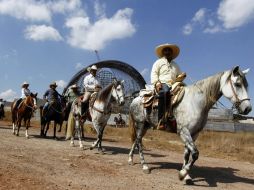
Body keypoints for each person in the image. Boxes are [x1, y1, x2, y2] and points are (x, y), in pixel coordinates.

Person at [151, 43, 186, 130]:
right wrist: (157, 83)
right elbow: (154, 73)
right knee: (164, 92)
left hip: (173, 84)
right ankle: (161, 121)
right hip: (162, 83)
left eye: (169, 50)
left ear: (172, 53)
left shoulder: (175, 65)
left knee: (185, 91)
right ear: (163, 52)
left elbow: (178, 76)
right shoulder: (158, 62)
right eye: (166, 50)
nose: (167, 52)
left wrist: (181, 76)